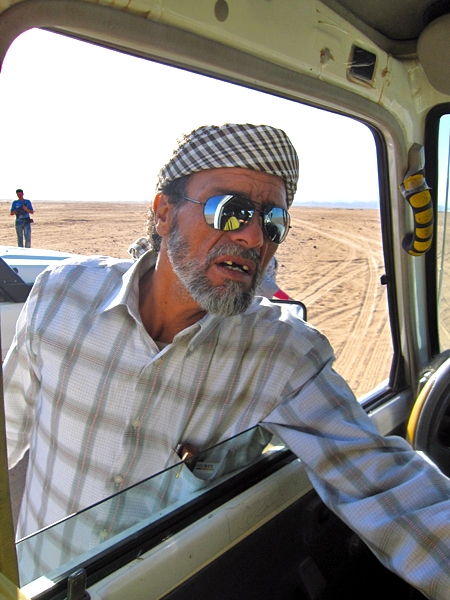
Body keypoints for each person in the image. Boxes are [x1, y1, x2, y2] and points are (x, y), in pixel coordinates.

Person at [4, 123, 450, 598]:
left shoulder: (279, 355)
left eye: (273, 222)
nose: (255, 237)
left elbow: (383, 482)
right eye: (232, 211)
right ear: (164, 213)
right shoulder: (62, 296)